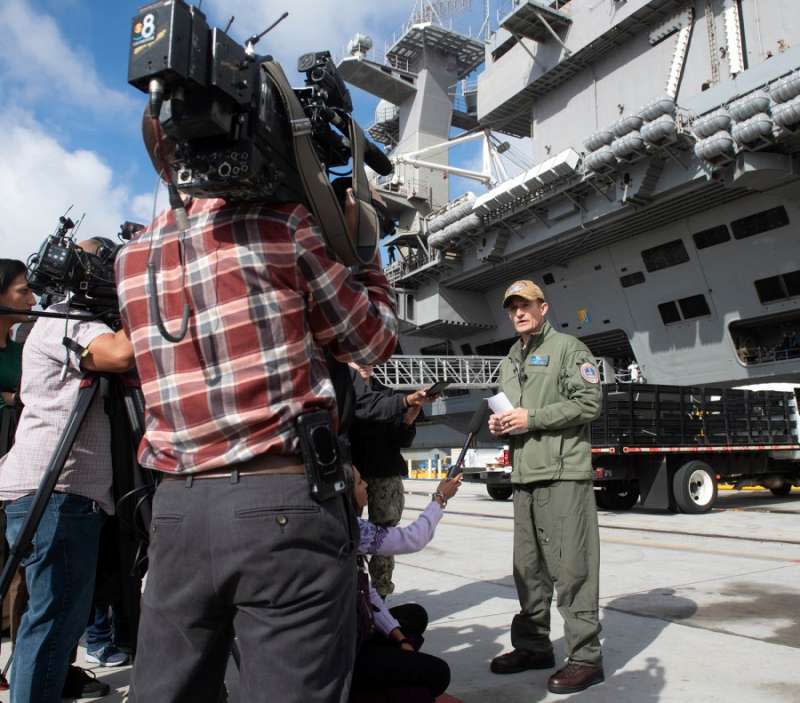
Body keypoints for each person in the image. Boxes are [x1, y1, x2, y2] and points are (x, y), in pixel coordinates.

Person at [115, 113, 399, 703]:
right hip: (281, 511)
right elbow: (371, 342)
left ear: (162, 161)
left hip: (175, 512)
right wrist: (362, 251)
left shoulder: (131, 259)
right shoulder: (284, 227)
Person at [0, 241, 135, 703]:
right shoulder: (69, 317)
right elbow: (119, 355)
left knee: (56, 617)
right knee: (55, 618)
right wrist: (152, 301)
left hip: (62, 492)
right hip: (57, 490)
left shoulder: (65, 317)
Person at [487, 280, 604, 695]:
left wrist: (530, 418)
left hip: (562, 474)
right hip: (524, 476)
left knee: (572, 568)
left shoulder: (569, 349)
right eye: (512, 307)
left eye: (526, 305)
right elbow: (513, 413)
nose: (518, 312)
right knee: (529, 571)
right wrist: (502, 424)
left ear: (543, 308)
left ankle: (586, 657)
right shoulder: (508, 360)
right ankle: (535, 646)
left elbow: (589, 402)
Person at [350, 468, 459, 702]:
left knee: (413, 616)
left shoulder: (344, 525)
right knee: (436, 674)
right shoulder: (352, 530)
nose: (367, 485)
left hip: (354, 630)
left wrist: (399, 637)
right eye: (360, 482)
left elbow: (367, 593)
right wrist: (440, 498)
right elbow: (414, 537)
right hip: (347, 650)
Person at [349, 364, 433, 598]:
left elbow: (401, 440)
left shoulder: (388, 395)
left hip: (384, 472)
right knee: (346, 532)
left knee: (385, 534)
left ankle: (381, 594)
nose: (363, 364)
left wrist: (408, 420)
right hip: (351, 474)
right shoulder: (342, 394)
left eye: (368, 360)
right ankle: (353, 592)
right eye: (357, 360)